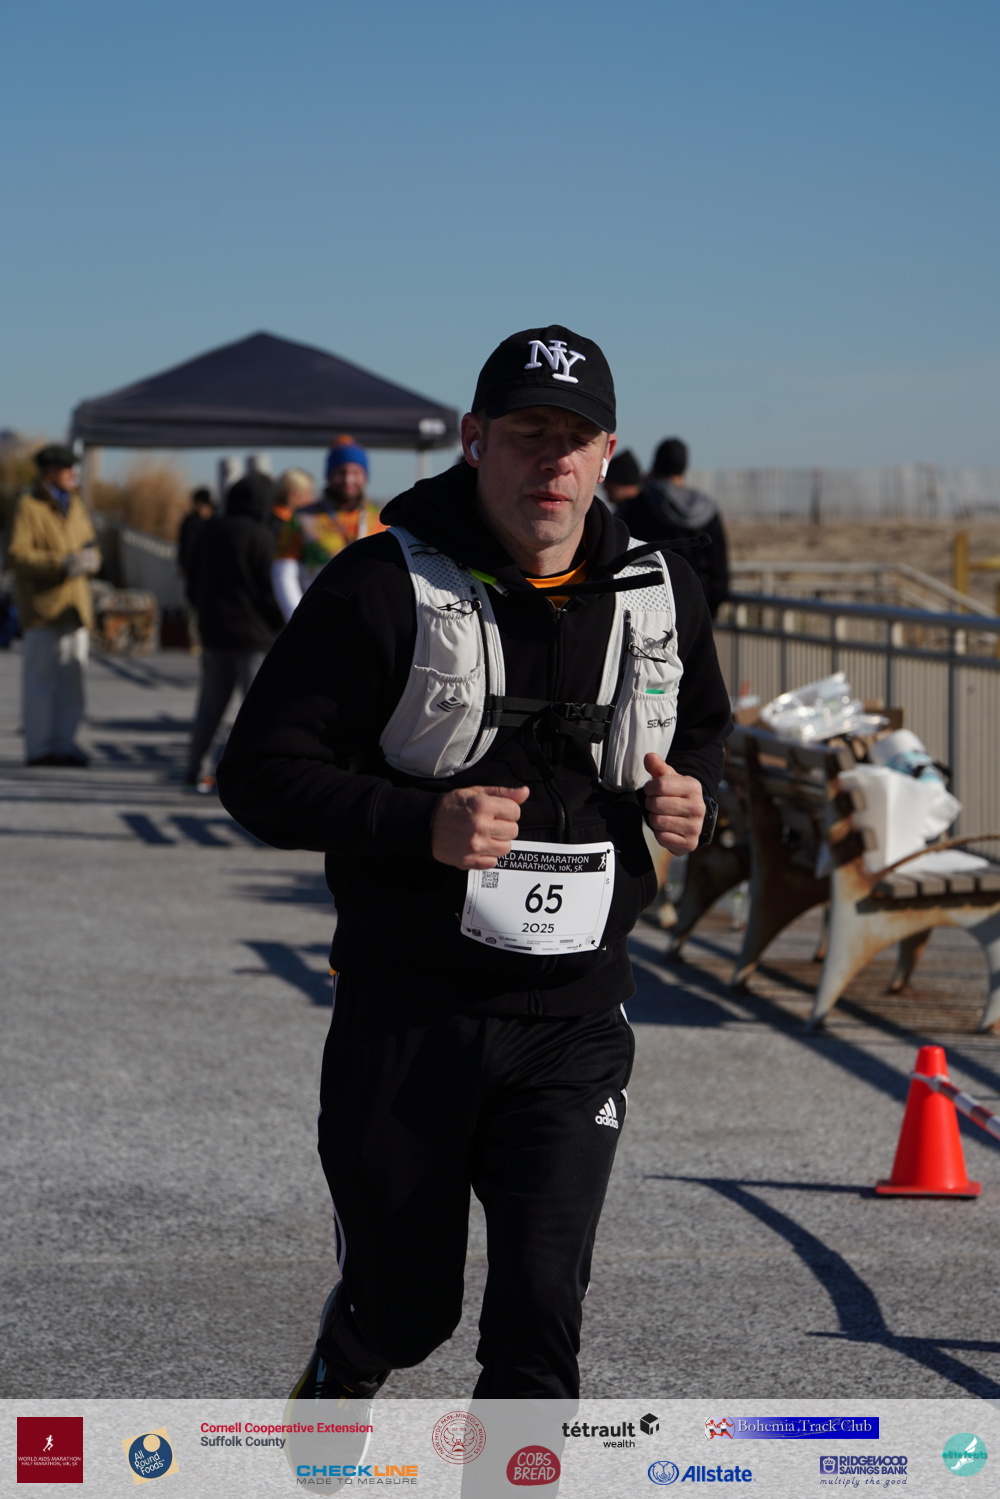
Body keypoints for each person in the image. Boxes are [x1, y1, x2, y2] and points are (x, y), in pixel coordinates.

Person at [217, 324, 731, 1403]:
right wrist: (420, 824)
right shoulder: (378, 585)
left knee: (539, 1328)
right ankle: (349, 1353)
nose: (552, 461)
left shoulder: (664, 591)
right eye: (527, 432)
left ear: (607, 453)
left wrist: (693, 794)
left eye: (573, 438)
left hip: (575, 1020)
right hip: (409, 1014)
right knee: (410, 1308)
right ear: (473, 438)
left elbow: (702, 737)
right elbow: (258, 774)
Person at [181, 472, 285, 793]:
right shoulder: (261, 536)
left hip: (214, 634)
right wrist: (279, 624)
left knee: (210, 706)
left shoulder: (209, 531)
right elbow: (269, 589)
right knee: (257, 711)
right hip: (254, 637)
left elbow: (191, 580)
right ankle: (256, 775)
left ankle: (195, 768)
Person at [7, 444, 101, 767]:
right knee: (41, 680)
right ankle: (40, 747)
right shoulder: (28, 505)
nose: (74, 475)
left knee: (73, 681)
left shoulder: (76, 505)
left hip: (75, 607)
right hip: (43, 607)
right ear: (50, 473)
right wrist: (61, 563)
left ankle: (66, 743)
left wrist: (91, 559)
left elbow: (90, 543)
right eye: (67, 470)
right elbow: (17, 555)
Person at [270, 438, 385, 621]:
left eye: (356, 472)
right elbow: (284, 573)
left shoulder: (381, 520)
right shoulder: (302, 518)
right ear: (329, 475)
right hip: (319, 619)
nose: (348, 479)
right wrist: (298, 619)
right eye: (341, 472)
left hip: (369, 620)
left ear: (365, 476)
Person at [619, 437, 730, 617]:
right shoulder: (707, 509)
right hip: (696, 608)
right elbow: (719, 571)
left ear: (656, 465)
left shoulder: (640, 505)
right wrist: (707, 612)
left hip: (653, 610)